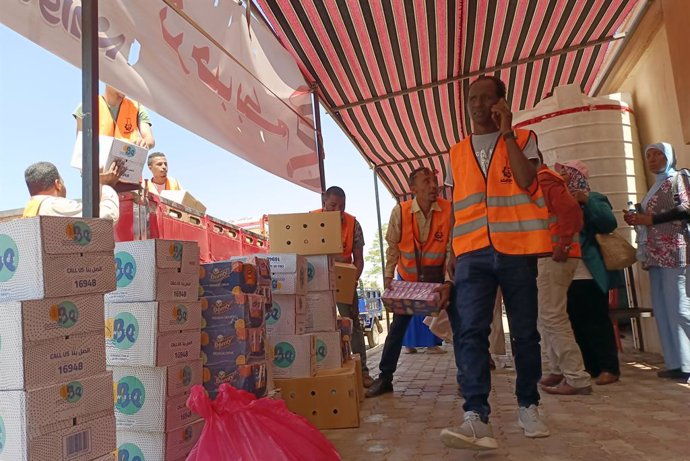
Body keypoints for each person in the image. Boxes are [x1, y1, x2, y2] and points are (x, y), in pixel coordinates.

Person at [441, 75, 552, 451]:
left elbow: (525, 179)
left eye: (486, 98)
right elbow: (456, 208)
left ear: (502, 103)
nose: (477, 104)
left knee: (525, 333)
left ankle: (528, 405)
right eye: (472, 98)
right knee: (470, 332)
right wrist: (450, 252)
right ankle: (476, 416)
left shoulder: (524, 140)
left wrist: (507, 132)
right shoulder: (456, 153)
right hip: (472, 252)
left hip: (516, 248)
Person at [366, 167, 453, 398]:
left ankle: (469, 378)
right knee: (396, 330)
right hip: (408, 283)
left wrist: (448, 282)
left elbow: (450, 251)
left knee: (461, 327)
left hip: (439, 282)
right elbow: (393, 247)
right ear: (413, 189)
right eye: (427, 181)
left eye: (434, 181)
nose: (433, 185)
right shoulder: (401, 212)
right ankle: (385, 378)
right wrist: (387, 277)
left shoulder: (448, 210)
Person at [624, 142, 690, 382]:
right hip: (656, 253)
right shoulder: (656, 186)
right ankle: (676, 362)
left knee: (680, 307)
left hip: (675, 251)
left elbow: (686, 208)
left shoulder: (677, 179)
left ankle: (688, 363)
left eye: (658, 155)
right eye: (649, 155)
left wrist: (650, 218)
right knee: (663, 309)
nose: (652, 159)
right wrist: (637, 217)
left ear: (669, 157)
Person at [557, 160, 621, 386]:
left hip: (589, 272)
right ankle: (591, 367)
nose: (561, 174)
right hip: (568, 272)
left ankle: (609, 367)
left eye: (565, 171)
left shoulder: (594, 198)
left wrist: (585, 201)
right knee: (576, 322)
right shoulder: (561, 200)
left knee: (596, 321)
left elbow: (608, 223)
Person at [532, 155, 592, 395]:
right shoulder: (544, 181)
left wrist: (563, 243)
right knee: (546, 316)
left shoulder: (545, 180)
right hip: (551, 255)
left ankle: (576, 377)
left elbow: (572, 212)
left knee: (552, 316)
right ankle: (558, 368)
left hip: (554, 256)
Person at [313, 186, 372, 387]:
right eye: (333, 205)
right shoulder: (310, 221)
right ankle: (321, 370)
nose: (338, 210)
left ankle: (362, 372)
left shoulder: (353, 224)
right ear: (324, 203)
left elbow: (359, 259)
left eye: (342, 206)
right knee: (319, 324)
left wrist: (352, 281)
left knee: (353, 323)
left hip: (344, 281)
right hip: (318, 280)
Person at [22, 161, 123, 220]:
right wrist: (105, 184)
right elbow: (107, 215)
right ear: (58, 184)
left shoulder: (30, 210)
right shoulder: (53, 205)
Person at [74, 85, 155, 149]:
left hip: (127, 164)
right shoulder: (87, 106)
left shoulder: (137, 107)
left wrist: (143, 143)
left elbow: (149, 140)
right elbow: (82, 143)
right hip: (99, 167)